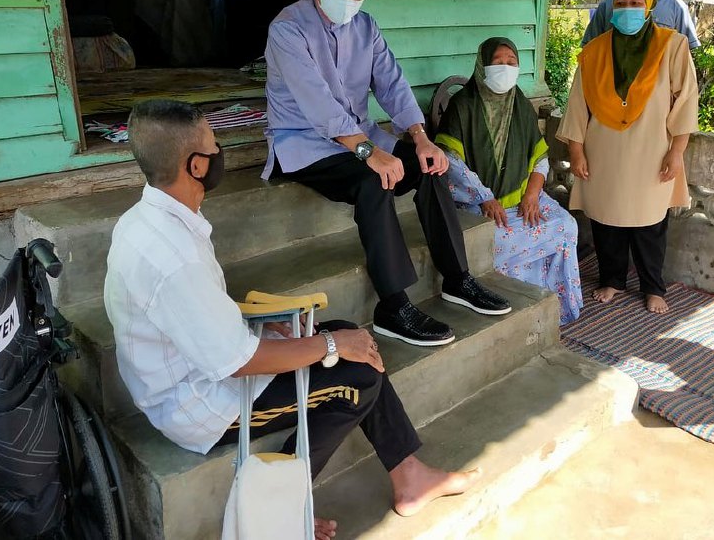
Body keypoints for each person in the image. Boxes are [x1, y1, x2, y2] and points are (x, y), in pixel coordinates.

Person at [104, 100, 480, 540]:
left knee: (343, 332)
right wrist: (333, 347)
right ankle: (278, 513)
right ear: (196, 165)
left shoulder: (150, 219)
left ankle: (409, 476)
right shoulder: (173, 255)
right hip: (200, 406)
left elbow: (198, 320)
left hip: (196, 371)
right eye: (215, 145)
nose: (221, 151)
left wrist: (267, 329)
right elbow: (238, 362)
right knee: (358, 374)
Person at [262, 0, 511, 348]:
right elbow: (319, 107)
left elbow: (392, 85)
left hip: (361, 136)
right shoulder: (287, 29)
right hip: (304, 144)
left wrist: (420, 137)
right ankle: (392, 306)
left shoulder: (366, 27)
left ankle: (458, 279)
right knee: (372, 180)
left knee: (431, 166)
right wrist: (369, 152)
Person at [557, 0, 699, 314]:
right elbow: (578, 104)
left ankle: (653, 287)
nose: (627, 9)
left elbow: (686, 100)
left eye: (635, 3)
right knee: (606, 220)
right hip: (603, 150)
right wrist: (576, 151)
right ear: (610, 8)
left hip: (652, 150)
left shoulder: (672, 45)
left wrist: (676, 152)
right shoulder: (593, 52)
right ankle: (612, 280)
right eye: (620, 4)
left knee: (650, 222)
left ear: (648, 6)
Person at [435, 37, 583, 325]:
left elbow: (539, 156)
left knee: (565, 225)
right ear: (482, 66)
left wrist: (532, 194)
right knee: (498, 240)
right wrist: (484, 196)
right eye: (498, 62)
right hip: (477, 200)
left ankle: (555, 307)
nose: (505, 67)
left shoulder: (521, 104)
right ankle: (508, 309)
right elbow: (449, 160)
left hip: (522, 195)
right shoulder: (462, 105)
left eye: (511, 62)